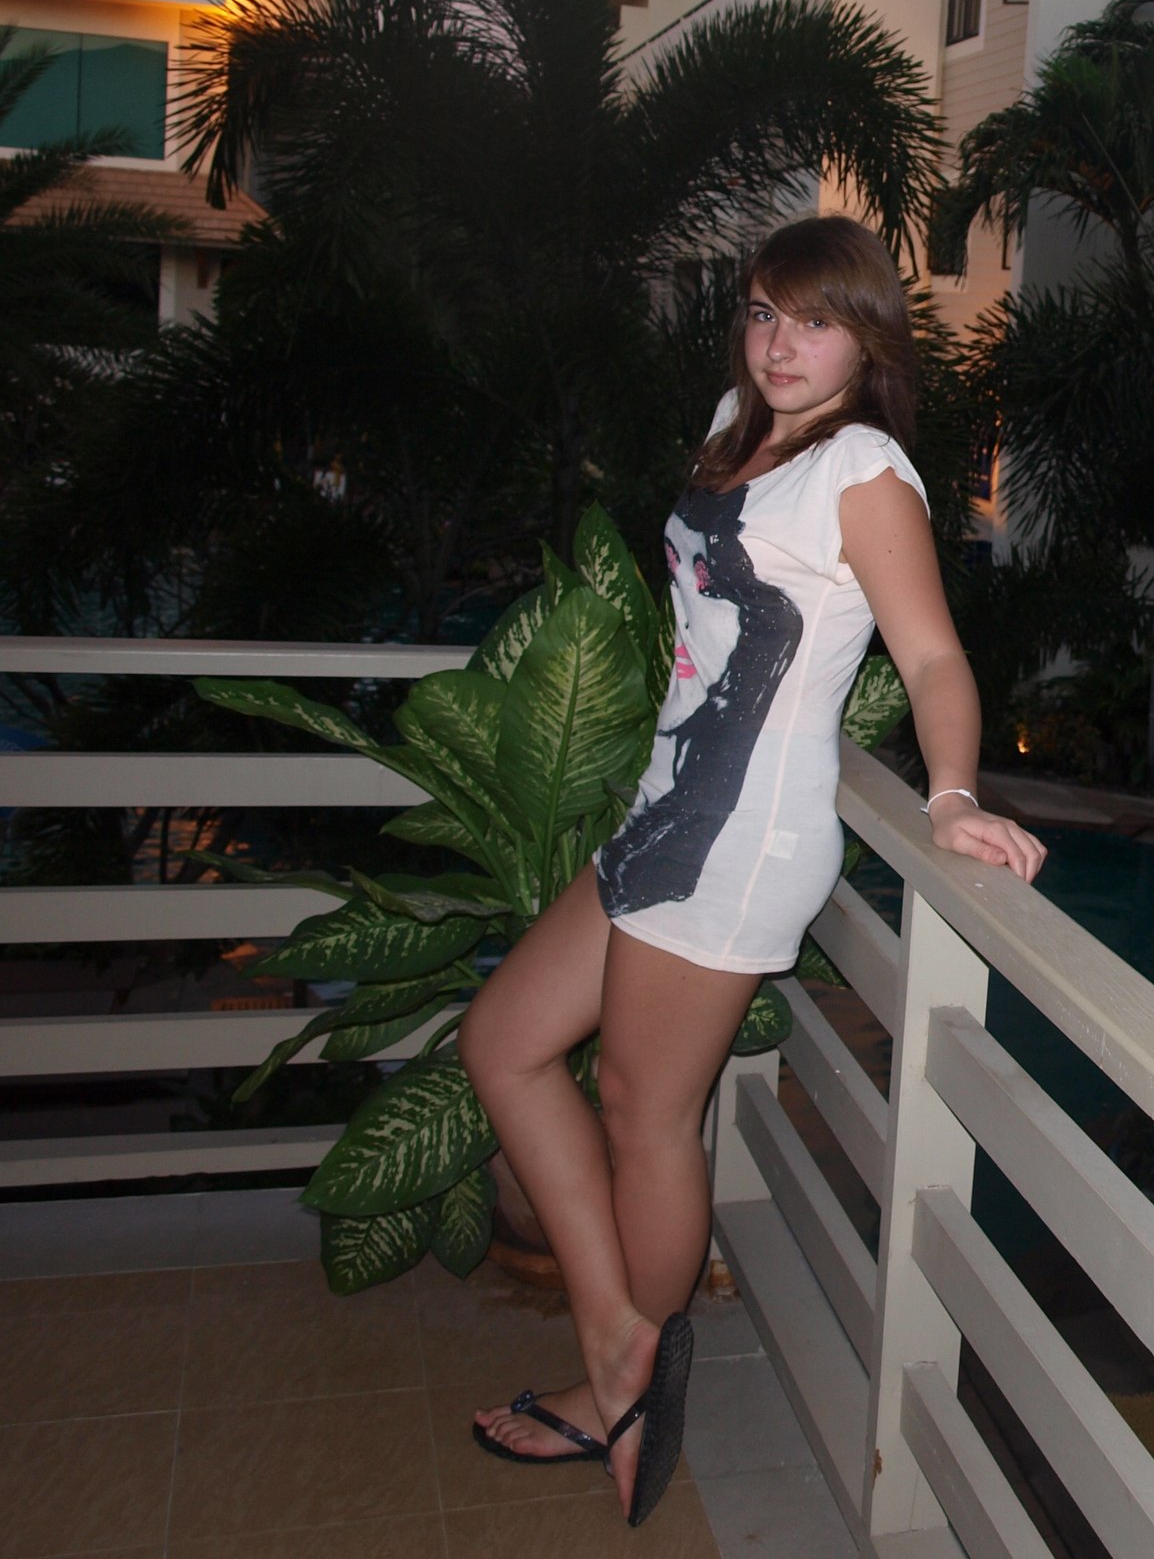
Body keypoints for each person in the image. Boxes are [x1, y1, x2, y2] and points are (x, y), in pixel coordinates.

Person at [457, 216, 1046, 1524]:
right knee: (502, 1041)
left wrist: (952, 796)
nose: (781, 345)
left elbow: (932, 656)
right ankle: (622, 1339)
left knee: (644, 1112)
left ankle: (620, 1377)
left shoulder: (864, 472)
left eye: (816, 322)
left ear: (868, 341)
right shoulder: (741, 423)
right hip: (664, 805)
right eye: (767, 313)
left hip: (744, 836)